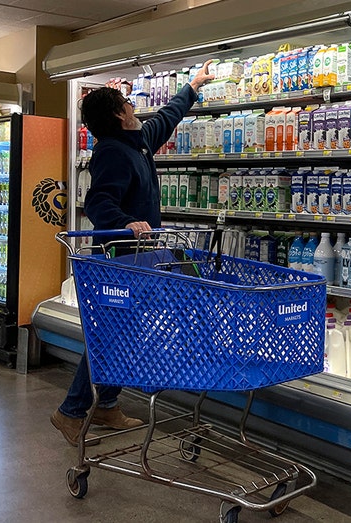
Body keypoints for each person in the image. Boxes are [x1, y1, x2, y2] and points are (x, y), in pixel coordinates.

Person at [50, 61, 215, 447]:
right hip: (120, 259)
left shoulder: (137, 142)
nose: (133, 107)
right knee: (111, 335)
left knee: (122, 333)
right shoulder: (112, 152)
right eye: (127, 103)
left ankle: (105, 403)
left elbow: (165, 118)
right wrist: (127, 222)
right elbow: (97, 202)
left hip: (140, 260)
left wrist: (192, 86)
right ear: (118, 116)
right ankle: (71, 411)